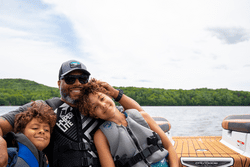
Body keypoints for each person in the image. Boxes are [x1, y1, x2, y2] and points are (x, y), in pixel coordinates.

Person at [0, 60, 142, 167]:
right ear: (58, 83)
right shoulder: (43, 107)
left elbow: (139, 115)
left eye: (82, 79)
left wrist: (116, 93)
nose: (77, 83)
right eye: (70, 79)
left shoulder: (97, 110)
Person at [77, 79, 179, 167]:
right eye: (95, 107)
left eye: (102, 98)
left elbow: (169, 146)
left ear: (109, 95)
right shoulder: (100, 136)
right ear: (94, 115)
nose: (103, 105)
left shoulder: (143, 116)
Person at [6, 101, 56, 167]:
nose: (42, 131)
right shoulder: (10, 155)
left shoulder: (43, 159)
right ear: (21, 131)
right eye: (35, 128)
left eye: (46, 130)